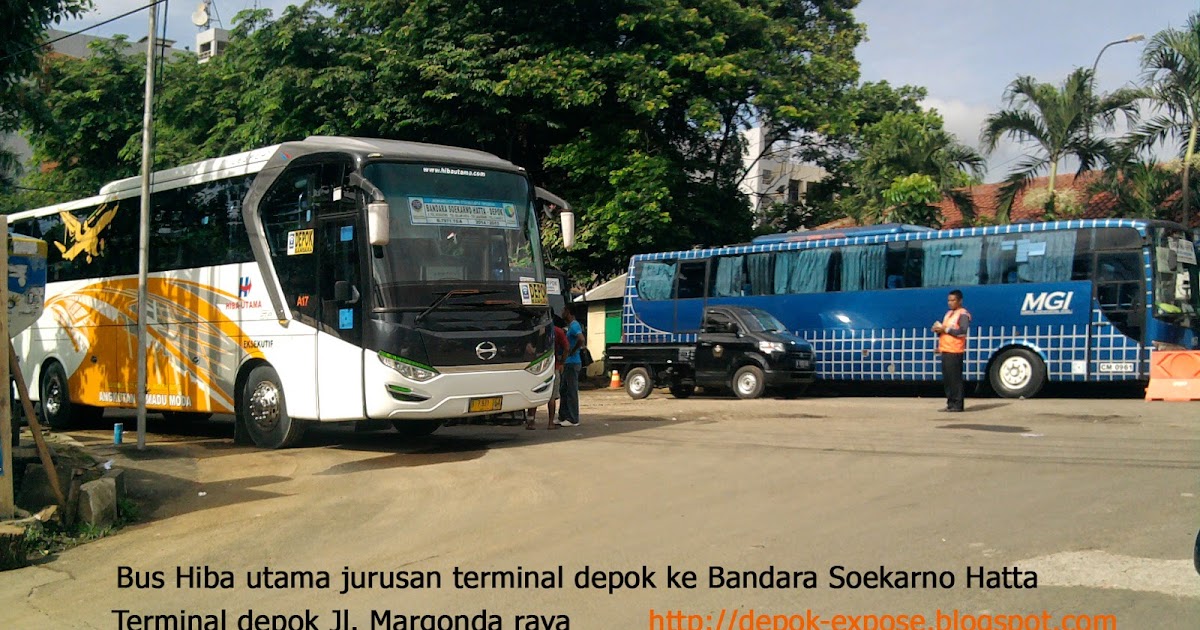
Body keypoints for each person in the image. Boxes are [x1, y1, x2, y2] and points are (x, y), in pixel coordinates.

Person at [931, 289, 971, 412]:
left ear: (960, 301)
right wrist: (939, 331)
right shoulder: (948, 314)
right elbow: (945, 331)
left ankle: (958, 405)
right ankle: (950, 403)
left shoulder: (963, 314)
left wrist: (945, 329)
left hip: (955, 351)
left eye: (953, 300)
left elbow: (962, 332)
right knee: (948, 379)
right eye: (949, 300)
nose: (950, 303)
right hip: (946, 350)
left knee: (955, 379)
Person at [527, 317, 569, 430]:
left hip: (535, 367)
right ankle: (550, 423)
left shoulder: (535, 330)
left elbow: (528, 348)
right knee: (551, 396)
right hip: (552, 366)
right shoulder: (557, 331)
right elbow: (566, 348)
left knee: (534, 394)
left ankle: (531, 422)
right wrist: (561, 363)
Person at [556, 304, 584, 427]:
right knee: (564, 390)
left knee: (571, 391)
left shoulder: (575, 325)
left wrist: (573, 350)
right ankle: (563, 416)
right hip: (567, 362)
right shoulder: (570, 326)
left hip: (573, 362)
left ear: (568, 312)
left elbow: (581, 339)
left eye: (563, 310)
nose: (562, 312)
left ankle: (573, 418)